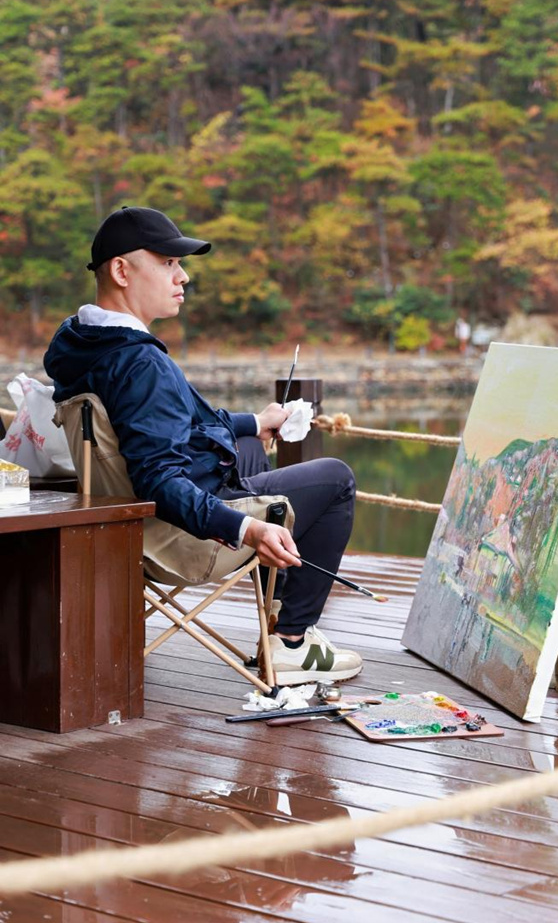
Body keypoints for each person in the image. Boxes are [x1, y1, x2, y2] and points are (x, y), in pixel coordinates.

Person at [44, 206, 362, 685]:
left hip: (120, 515)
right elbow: (159, 479)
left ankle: (279, 611)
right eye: (168, 263)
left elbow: (172, 423)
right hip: (175, 535)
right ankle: (293, 640)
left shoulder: (83, 342)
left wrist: (257, 422)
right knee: (336, 479)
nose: (183, 276)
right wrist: (247, 529)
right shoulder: (141, 364)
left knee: (247, 447)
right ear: (122, 270)